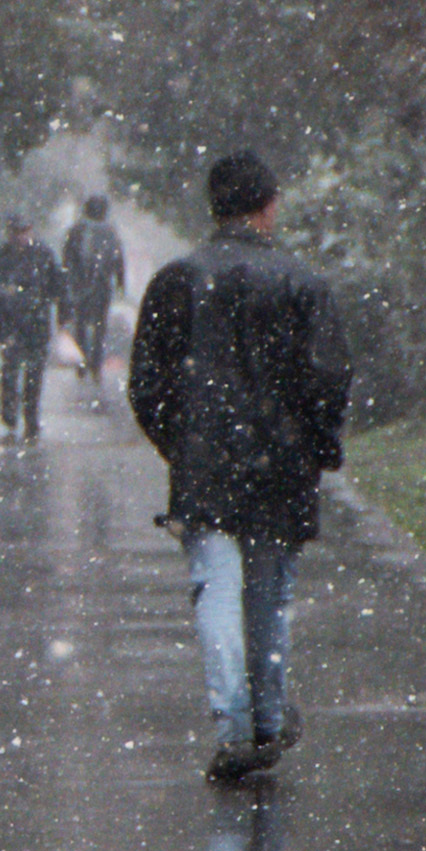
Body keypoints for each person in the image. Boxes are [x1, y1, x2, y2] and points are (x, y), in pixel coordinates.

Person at [128, 152, 351, 784]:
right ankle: (269, 714)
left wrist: (183, 443)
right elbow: (330, 378)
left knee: (216, 590)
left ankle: (234, 727)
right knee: (268, 597)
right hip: (281, 466)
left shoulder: (178, 282)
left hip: (205, 466)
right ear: (268, 205)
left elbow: (147, 385)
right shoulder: (303, 284)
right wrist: (314, 444)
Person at [0, 216, 61, 439]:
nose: (20, 237)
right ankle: (10, 413)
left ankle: (31, 417)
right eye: (16, 232)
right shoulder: (2, 256)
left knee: (34, 374)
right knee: (10, 370)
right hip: (10, 322)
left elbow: (57, 285)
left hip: (37, 322)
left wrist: (57, 306)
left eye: (24, 231)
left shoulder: (44, 254)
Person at [59, 194, 128, 387]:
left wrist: (67, 282)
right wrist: (120, 282)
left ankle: (83, 361)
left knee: (81, 324)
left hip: (81, 285)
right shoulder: (110, 231)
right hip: (102, 285)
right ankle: (95, 365)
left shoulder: (77, 230)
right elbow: (118, 258)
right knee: (99, 326)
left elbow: (67, 258)